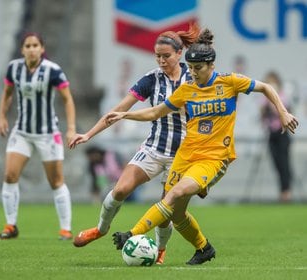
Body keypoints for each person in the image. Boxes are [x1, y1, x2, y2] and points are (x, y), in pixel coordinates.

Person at [106, 28, 299, 265]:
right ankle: (203, 248)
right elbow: (156, 111)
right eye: (191, 68)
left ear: (211, 64)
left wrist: (283, 112)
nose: (193, 73)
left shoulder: (229, 82)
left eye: (198, 68)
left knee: (174, 193)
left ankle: (132, 234)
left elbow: (266, 88)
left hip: (214, 157)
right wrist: (125, 114)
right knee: (177, 214)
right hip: (185, 154)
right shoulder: (186, 89)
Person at [69, 23, 200, 264]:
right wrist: (89, 134)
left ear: (179, 53)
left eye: (166, 56)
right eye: (157, 56)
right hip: (153, 148)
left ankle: (160, 249)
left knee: (166, 207)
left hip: (183, 155)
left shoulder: (194, 78)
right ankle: (100, 229)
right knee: (120, 189)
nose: (161, 61)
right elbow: (118, 110)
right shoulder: (151, 79)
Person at [0, 32, 76, 240]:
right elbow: (7, 93)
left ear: (42, 49)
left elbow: (67, 100)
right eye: (28, 45)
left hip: (47, 133)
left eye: (35, 45)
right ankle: (11, 225)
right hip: (22, 131)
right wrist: (2, 117)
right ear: (22, 49)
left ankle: (65, 229)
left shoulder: (53, 70)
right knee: (9, 175)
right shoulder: (13, 68)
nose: (31, 49)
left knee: (56, 180)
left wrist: (70, 128)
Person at [260, 71, 293, 202]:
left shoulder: (283, 97)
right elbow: (262, 113)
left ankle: (286, 191)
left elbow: (286, 112)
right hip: (271, 133)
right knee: (276, 164)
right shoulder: (264, 99)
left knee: (284, 163)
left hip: (283, 133)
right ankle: (282, 191)